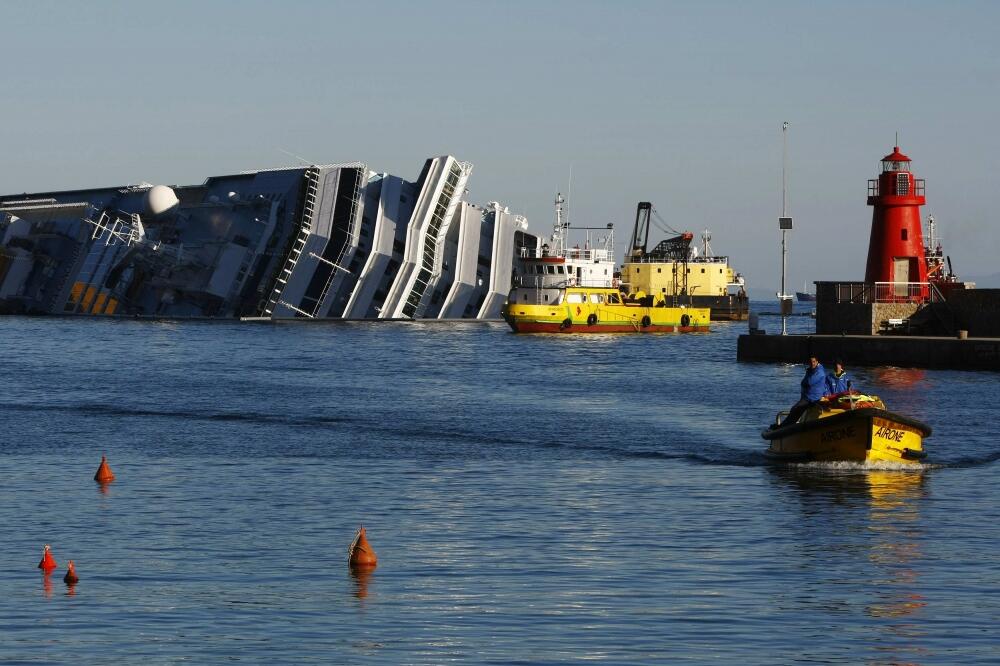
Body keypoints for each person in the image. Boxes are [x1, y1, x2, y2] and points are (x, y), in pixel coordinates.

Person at [776, 355, 826, 428]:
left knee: (796, 408)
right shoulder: (811, 370)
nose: (812, 363)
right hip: (807, 397)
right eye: (811, 362)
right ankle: (785, 425)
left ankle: (785, 426)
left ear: (817, 362)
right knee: (794, 409)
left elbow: (809, 382)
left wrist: (804, 382)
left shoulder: (819, 372)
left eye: (814, 362)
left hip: (812, 398)